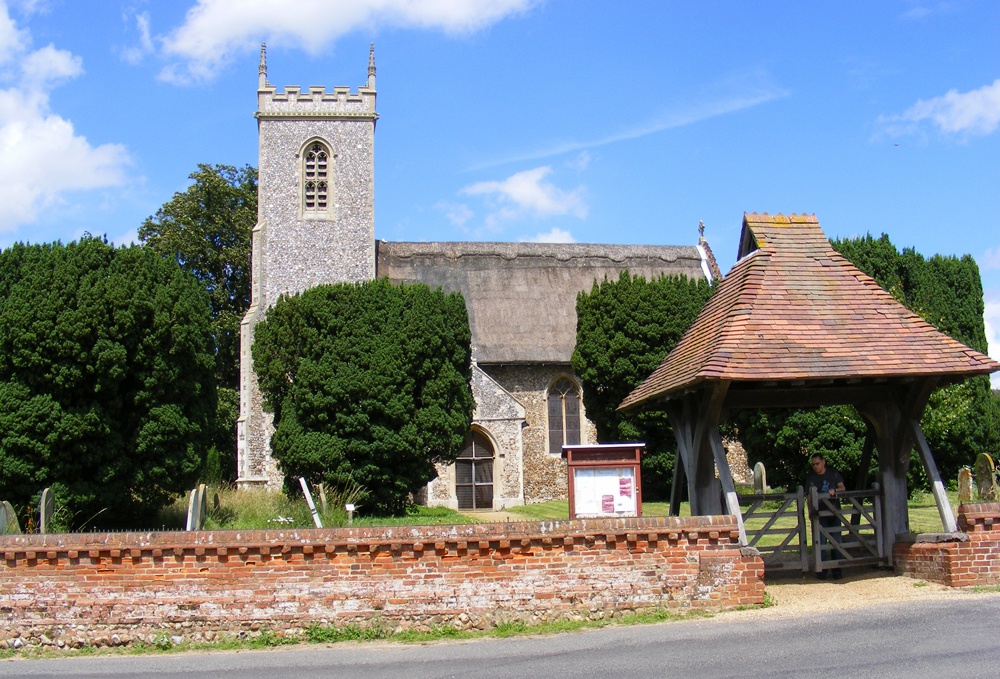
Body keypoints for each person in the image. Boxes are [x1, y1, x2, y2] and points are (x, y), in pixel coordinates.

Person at [807, 453, 846, 580]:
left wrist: (835, 491)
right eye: (813, 464)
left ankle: (837, 569)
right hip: (820, 514)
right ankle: (822, 570)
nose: (815, 466)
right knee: (820, 542)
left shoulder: (833, 474)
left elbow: (842, 488)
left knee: (836, 541)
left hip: (833, 512)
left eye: (817, 463)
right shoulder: (811, 478)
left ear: (823, 462)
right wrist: (810, 512)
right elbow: (809, 497)